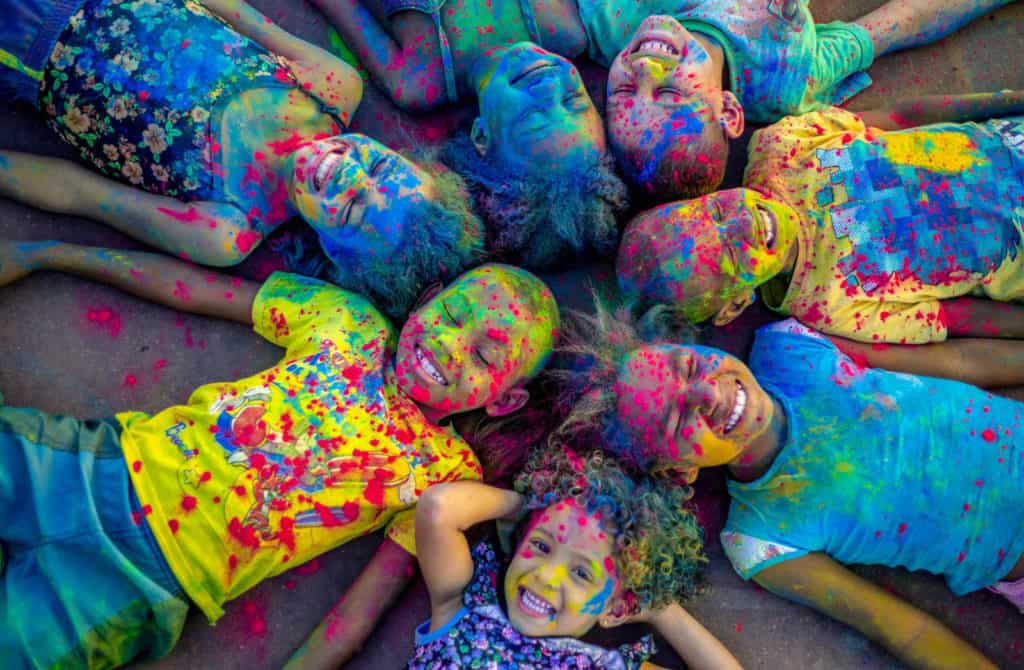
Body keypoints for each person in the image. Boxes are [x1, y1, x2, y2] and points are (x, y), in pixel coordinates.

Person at [0, 237, 559, 668]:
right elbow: (191, 289)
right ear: (431, 299)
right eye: (454, 315)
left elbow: (355, 615)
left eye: (486, 356)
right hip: (90, 464)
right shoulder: (348, 321)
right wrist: (47, 256)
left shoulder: (445, 471)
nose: (450, 343)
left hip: (138, 585)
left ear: (504, 401)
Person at [555, 302, 1024, 669]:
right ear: (678, 470)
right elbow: (906, 631)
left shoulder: (789, 345)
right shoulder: (761, 539)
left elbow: (956, 361)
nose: (707, 393)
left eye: (688, 365)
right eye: (679, 418)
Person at [0, 0, 483, 318]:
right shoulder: (332, 90)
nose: (347, 171)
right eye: (380, 167)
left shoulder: (227, 229)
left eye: (354, 208)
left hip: (24, 49)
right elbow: (237, 14)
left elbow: (79, 193)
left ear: (335, 252)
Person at [616, 93, 1024, 354]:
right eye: (729, 254)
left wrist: (1006, 100)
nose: (744, 224)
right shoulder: (829, 306)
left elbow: (902, 112)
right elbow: (957, 319)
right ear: (735, 305)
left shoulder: (780, 148)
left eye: (717, 212)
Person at [315, 1, 628, 268]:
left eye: (532, 116)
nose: (548, 86)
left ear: (481, 136)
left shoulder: (419, 82)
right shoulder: (562, 29)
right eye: (574, 99)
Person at [600, 2, 1014, 199]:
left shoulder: (610, 24)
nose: (642, 71)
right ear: (727, 109)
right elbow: (893, 29)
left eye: (621, 91)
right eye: (669, 93)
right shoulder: (788, 73)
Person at [410, 445, 742, 669]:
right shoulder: (465, 610)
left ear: (616, 608)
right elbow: (439, 509)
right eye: (540, 546)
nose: (545, 576)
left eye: (582, 573)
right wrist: (526, 506)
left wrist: (662, 611)